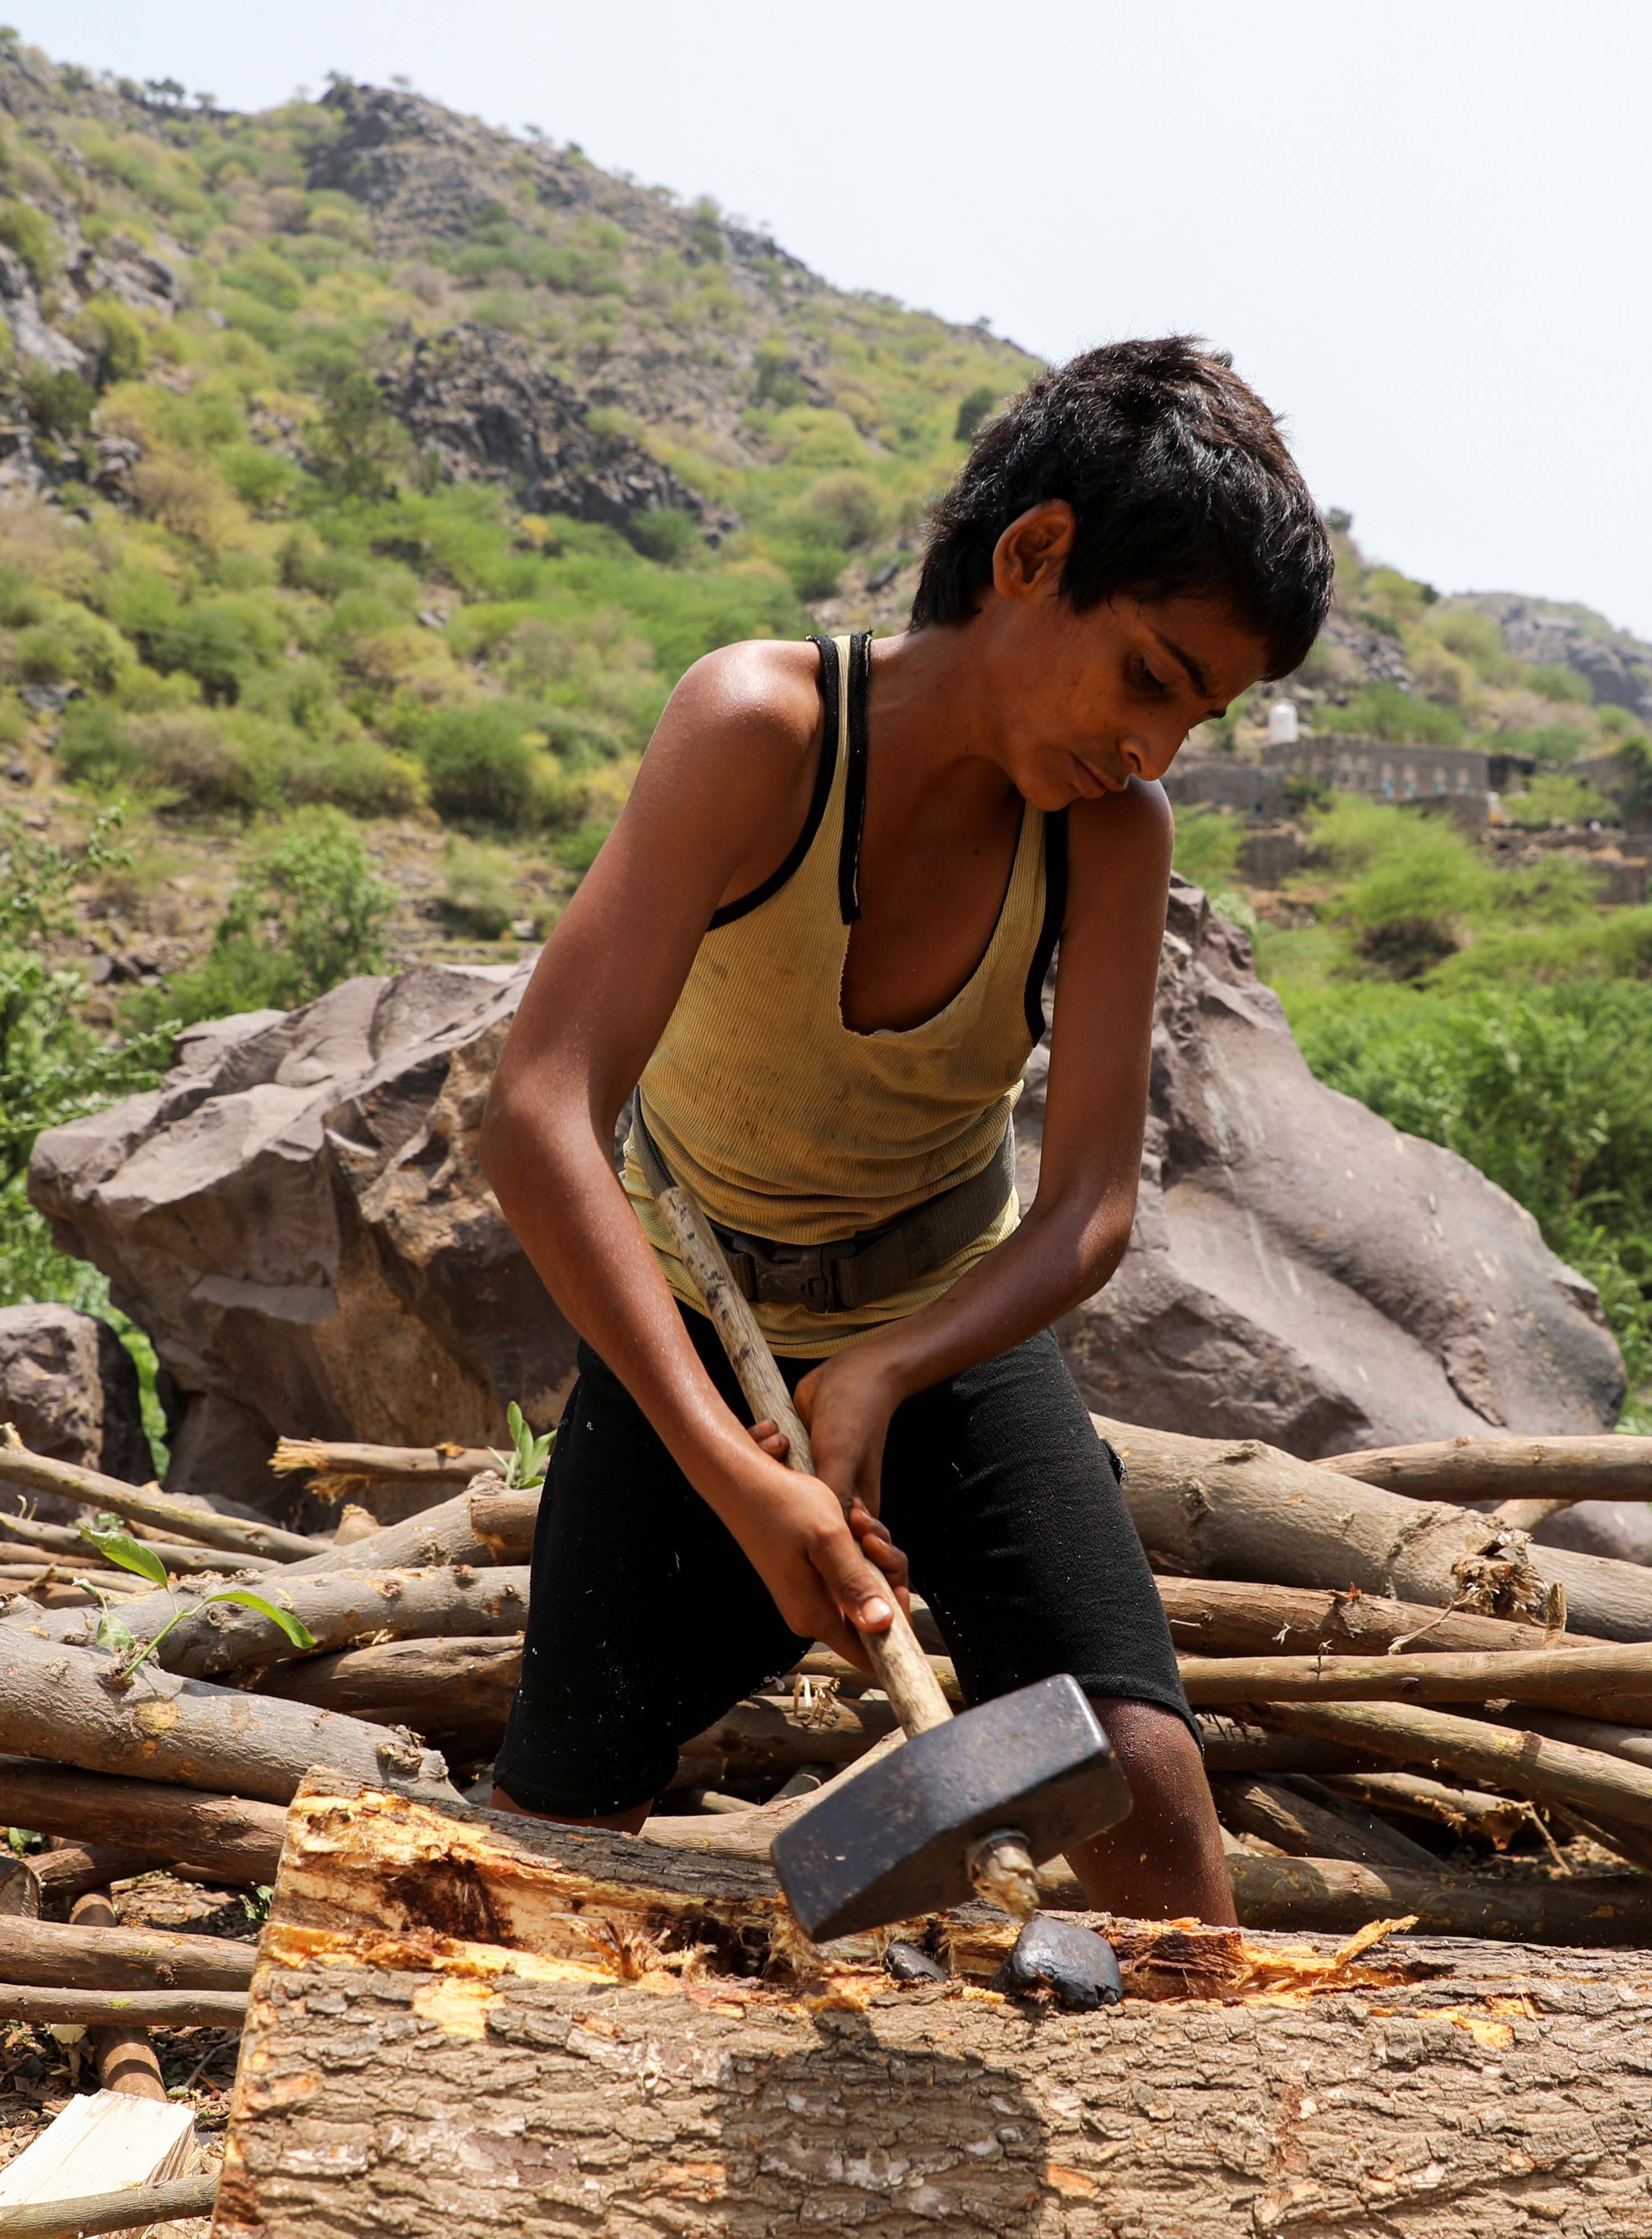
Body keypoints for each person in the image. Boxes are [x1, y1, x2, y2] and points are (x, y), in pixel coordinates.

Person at [476, 337, 1335, 1921]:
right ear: (1031, 557)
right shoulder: (759, 729)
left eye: (1196, 716)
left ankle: (1201, 2136)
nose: (1154, 749)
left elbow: (1084, 1209)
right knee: (561, 1810)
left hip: (936, 1337)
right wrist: (742, 1474)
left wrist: (877, 1371)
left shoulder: (1107, 838)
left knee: (1143, 1786)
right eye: (1150, 675)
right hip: (694, 1326)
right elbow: (537, 1115)